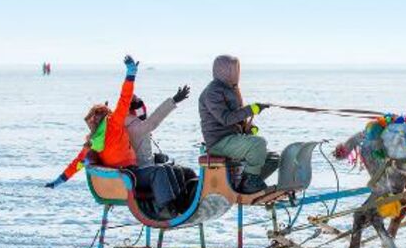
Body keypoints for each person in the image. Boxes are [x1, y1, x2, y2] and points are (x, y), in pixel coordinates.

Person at [45, 55, 183, 217]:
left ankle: (174, 207)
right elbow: (125, 98)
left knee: (163, 169)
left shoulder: (92, 142)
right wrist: (131, 74)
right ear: (106, 114)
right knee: (160, 171)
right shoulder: (114, 122)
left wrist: (60, 180)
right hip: (131, 177)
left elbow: (78, 163)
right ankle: (167, 209)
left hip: (120, 179)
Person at [198, 55, 274, 194]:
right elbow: (226, 119)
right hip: (219, 142)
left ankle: (251, 179)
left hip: (232, 138)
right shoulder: (213, 92)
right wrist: (252, 109)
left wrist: (247, 128)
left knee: (273, 158)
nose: (237, 72)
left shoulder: (229, 89)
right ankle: (249, 182)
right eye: (234, 69)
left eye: (238, 68)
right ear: (223, 70)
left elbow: (236, 117)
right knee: (258, 144)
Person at [126, 86, 198, 211]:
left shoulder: (133, 124)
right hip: (138, 173)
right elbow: (153, 121)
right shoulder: (132, 125)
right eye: (138, 107)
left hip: (144, 167)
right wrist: (173, 101)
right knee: (162, 171)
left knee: (180, 171)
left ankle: (188, 202)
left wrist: (155, 158)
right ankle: (171, 207)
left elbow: (140, 150)